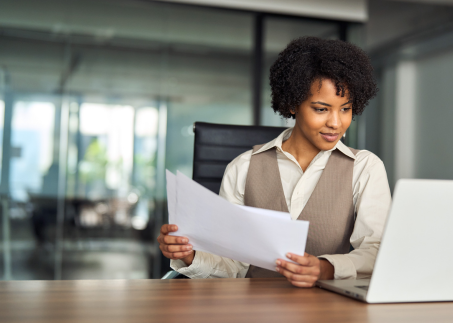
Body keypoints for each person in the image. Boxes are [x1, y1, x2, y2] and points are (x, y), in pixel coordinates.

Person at [157, 37, 392, 288]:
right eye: (321, 109)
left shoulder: (365, 167)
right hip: (253, 307)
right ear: (293, 104)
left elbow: (378, 250)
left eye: (345, 109)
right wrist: (189, 256)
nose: (336, 123)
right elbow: (233, 265)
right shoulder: (242, 168)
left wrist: (326, 268)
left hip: (328, 309)